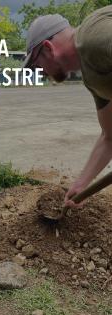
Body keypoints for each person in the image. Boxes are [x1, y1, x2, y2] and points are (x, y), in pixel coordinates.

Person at [23, 6, 112, 207]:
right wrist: (81, 184)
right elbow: (109, 137)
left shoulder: (93, 38)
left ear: (47, 48)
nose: (41, 72)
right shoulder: (92, 79)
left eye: (37, 66)